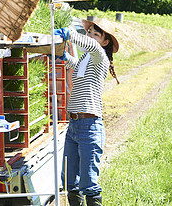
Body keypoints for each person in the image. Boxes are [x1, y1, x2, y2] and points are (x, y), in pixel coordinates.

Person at [54, 17, 120, 206]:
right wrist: (65, 58)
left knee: (88, 184)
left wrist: (69, 34)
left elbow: (91, 46)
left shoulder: (100, 56)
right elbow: (77, 68)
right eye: (89, 31)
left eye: (95, 34)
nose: (90, 35)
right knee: (69, 181)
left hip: (89, 127)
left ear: (105, 42)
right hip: (74, 125)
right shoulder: (86, 59)